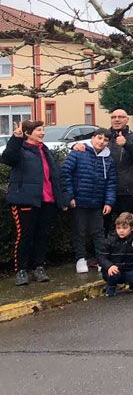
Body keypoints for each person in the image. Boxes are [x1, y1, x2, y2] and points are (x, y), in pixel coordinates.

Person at [3, 121, 69, 285]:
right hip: (26, 200)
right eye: (39, 130)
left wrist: (62, 199)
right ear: (28, 133)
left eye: (43, 130)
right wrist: (15, 138)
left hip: (47, 201)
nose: (42, 133)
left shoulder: (46, 151)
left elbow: (55, 176)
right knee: (24, 236)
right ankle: (21, 270)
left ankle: (38, 266)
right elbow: (7, 158)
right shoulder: (20, 150)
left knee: (42, 236)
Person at [61, 129, 116, 273]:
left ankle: (101, 259)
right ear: (92, 138)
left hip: (97, 203)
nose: (101, 142)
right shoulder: (79, 152)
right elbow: (65, 173)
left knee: (98, 232)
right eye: (99, 138)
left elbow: (111, 183)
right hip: (79, 201)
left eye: (105, 140)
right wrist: (70, 196)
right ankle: (80, 259)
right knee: (79, 231)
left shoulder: (108, 159)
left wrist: (109, 202)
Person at [97, 212, 133, 296]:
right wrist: (109, 266)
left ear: (132, 228)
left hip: (128, 269)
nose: (121, 231)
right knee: (113, 274)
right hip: (112, 270)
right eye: (118, 228)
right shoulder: (110, 240)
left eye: (125, 228)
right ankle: (111, 287)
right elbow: (101, 257)